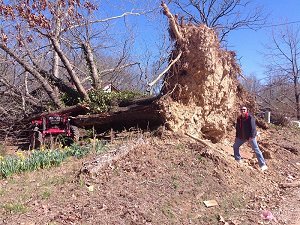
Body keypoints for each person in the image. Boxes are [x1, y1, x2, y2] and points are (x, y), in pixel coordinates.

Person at [233, 106, 268, 171]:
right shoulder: (239, 118)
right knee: (235, 146)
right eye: (241, 110)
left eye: (244, 109)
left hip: (250, 137)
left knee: (256, 150)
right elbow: (237, 128)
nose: (242, 111)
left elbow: (253, 129)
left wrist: (251, 137)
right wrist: (237, 136)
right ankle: (237, 159)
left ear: (246, 110)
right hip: (242, 137)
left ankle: (263, 165)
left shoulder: (250, 118)